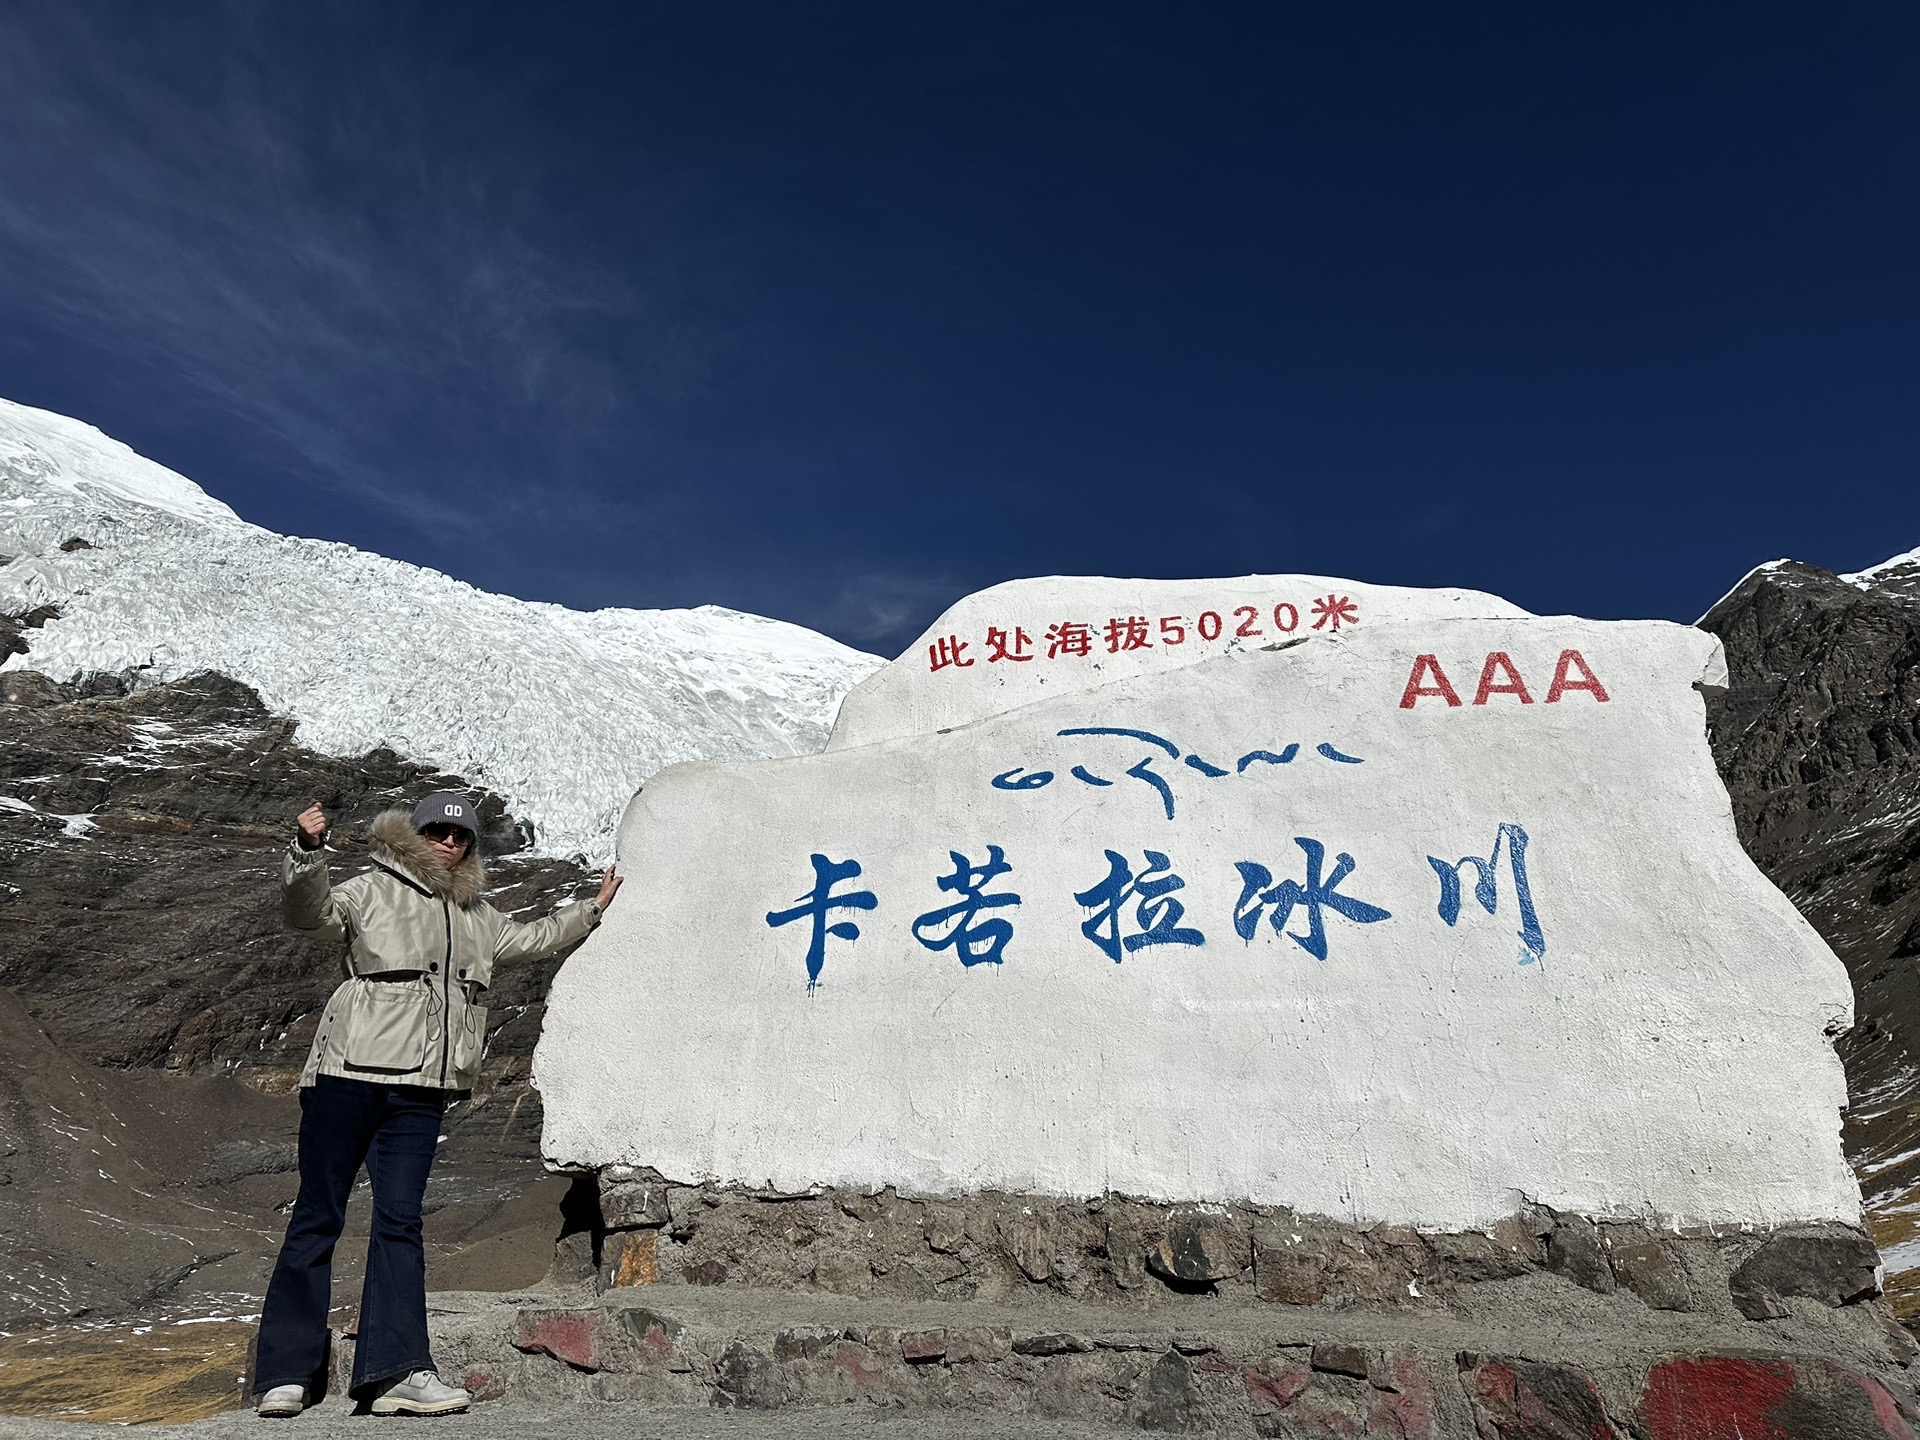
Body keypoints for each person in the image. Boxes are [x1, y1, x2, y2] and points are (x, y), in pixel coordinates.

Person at [253, 791, 622, 1418]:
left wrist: (591, 909)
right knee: (319, 1216)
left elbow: (533, 938)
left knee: (400, 1222)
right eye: (437, 831)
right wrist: (307, 853)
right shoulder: (368, 889)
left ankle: (395, 1373)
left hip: (423, 1088)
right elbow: (307, 916)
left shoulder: (477, 913)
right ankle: (286, 1373)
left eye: (461, 836)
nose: (450, 842)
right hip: (347, 1074)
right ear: (411, 835)